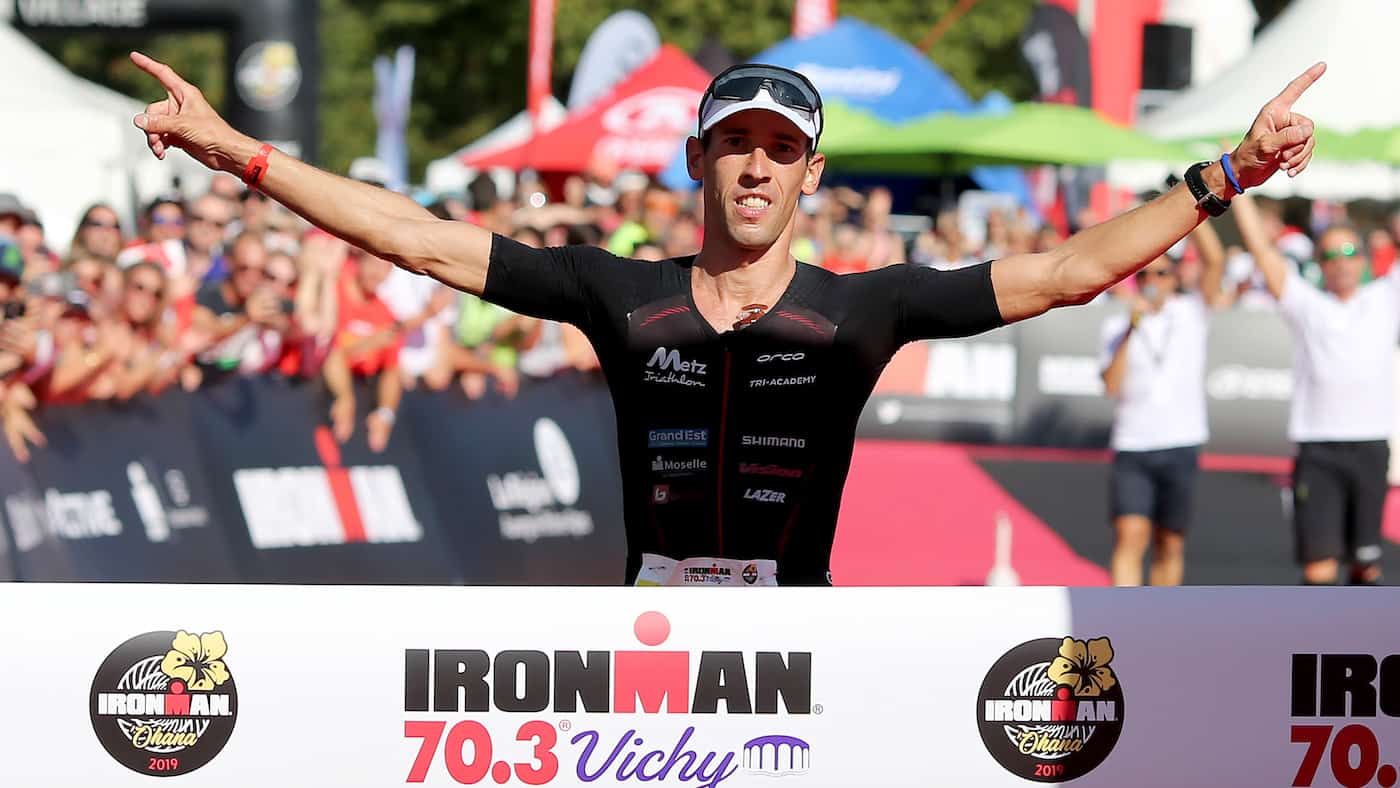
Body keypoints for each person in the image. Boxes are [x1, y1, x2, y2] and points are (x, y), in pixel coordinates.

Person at [129, 52, 1324, 586]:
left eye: (780, 151)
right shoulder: (616, 292)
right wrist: (234, 150)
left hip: (801, 640)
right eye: (735, 145)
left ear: (810, 176)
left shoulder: (865, 306)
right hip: (647, 628)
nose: (756, 169)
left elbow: (1066, 270)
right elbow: (414, 236)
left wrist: (1226, 172)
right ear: (699, 162)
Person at [1235, 191, 1390, 586]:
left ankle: (1362, 643)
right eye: (1330, 256)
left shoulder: (1387, 298)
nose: (1341, 263)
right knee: (1318, 569)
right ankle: (1317, 641)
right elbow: (1261, 251)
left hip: (1370, 448)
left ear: (1364, 259)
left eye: (1349, 252)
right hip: (1317, 451)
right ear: (1319, 264)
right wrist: (1234, 190)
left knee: (1365, 566)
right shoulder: (1306, 304)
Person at [1100, 220, 1227, 586]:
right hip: (1133, 444)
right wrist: (1131, 328)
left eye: (1161, 273)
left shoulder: (1192, 312)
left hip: (1180, 442)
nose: (1153, 281)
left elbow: (1215, 260)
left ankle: (1159, 621)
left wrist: (1197, 206)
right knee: (1130, 535)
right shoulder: (1116, 327)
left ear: (1174, 278)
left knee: (1169, 542)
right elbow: (1111, 385)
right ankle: (1121, 619)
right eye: (1145, 276)